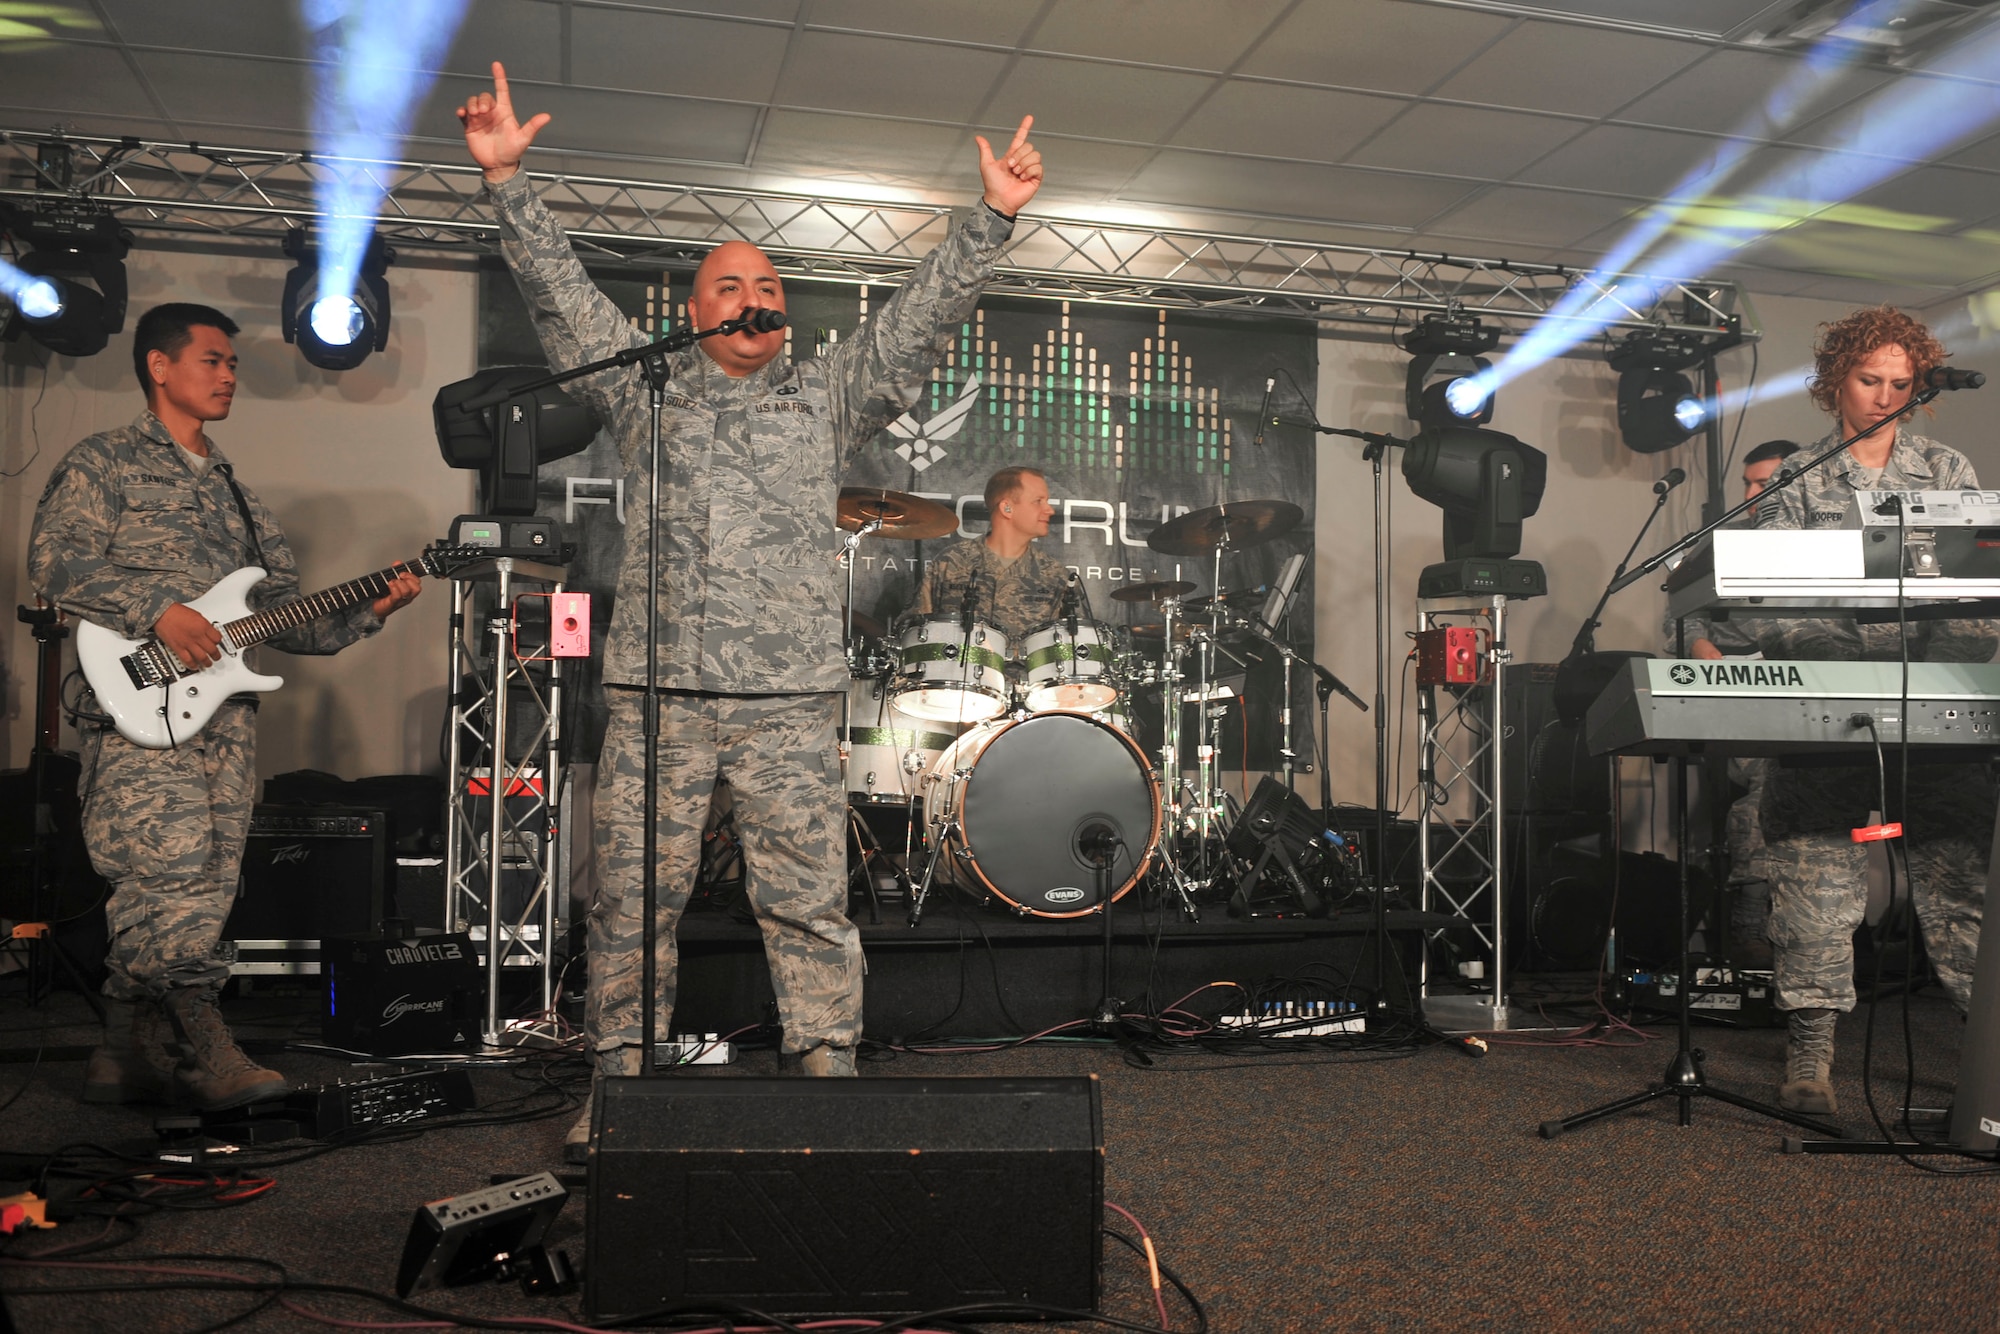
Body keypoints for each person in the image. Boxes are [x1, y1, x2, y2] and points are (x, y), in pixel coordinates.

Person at [455, 62, 1042, 1162]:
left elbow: (916, 325)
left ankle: (826, 1078)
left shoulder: (823, 397)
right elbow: (561, 299)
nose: (750, 295)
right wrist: (507, 187)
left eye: (765, 283)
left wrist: (990, 220)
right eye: (726, 284)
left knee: (808, 904)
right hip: (659, 696)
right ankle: (620, 1090)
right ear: (690, 311)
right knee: (631, 907)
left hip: (783, 702)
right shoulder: (643, 392)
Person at [28, 303, 423, 1110]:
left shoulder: (240, 498)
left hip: (225, 726)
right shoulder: (102, 462)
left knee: (203, 883)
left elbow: (283, 619)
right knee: (166, 879)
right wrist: (155, 610)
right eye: (211, 360)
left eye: (233, 364)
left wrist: (370, 610)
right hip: (139, 713)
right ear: (159, 368)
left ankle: (117, 1048)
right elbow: (54, 566)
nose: (228, 375)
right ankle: (205, 1050)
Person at [1753, 306, 1995, 1116]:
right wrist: (1853, 654)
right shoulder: (1796, 479)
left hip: (1935, 719)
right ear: (1834, 384)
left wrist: (1925, 673)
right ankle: (1811, 1063)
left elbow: (1976, 609)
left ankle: (1987, 1069)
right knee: (1814, 886)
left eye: (1901, 383)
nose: (1885, 397)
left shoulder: (1948, 471)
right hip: (1829, 718)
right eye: (1869, 381)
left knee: (1962, 891)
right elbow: (1771, 612)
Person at [1667, 439, 1798, 967]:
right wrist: (1709, 655)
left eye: (1764, 483)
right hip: (1741, 685)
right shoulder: (1721, 542)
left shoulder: (1830, 538)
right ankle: (1751, 924)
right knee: (1770, 780)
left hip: (1813, 686)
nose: (1750, 493)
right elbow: (1681, 618)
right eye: (1747, 482)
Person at [912, 465, 1070, 643]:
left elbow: (1075, 648)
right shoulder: (951, 563)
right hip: (957, 669)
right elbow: (914, 631)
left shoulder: (1055, 575)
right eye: (1038, 501)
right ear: (1007, 508)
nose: (1049, 510)